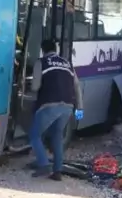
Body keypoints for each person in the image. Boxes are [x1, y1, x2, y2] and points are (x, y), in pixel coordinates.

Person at [28, 39, 83, 181]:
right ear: (56, 49)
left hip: (49, 105)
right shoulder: (67, 63)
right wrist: (80, 109)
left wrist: (26, 84)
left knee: (34, 135)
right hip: (68, 107)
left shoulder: (41, 62)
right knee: (57, 136)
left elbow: (35, 87)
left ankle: (44, 164)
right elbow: (77, 86)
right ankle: (57, 171)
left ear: (43, 50)